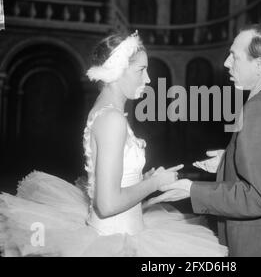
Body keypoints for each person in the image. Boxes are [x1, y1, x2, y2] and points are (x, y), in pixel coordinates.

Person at [0, 31, 228, 257]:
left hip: (124, 231)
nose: (148, 79)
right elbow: (107, 204)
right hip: (115, 241)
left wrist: (144, 179)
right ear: (116, 70)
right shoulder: (112, 119)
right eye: (141, 70)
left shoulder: (107, 112)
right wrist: (155, 183)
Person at [148, 24, 261, 257]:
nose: (226, 63)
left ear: (259, 65)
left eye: (234, 56)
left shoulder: (260, 109)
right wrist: (229, 160)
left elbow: (259, 197)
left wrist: (192, 189)